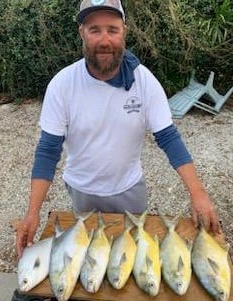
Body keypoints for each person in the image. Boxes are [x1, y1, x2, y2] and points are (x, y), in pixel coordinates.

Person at [16, 0, 220, 259]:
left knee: (132, 259)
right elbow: (48, 150)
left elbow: (168, 137)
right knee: (90, 260)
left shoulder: (143, 81)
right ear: (81, 33)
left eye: (112, 29)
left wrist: (198, 194)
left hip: (129, 189)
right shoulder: (62, 85)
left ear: (124, 30)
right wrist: (32, 212)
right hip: (82, 190)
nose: (104, 40)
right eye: (94, 30)